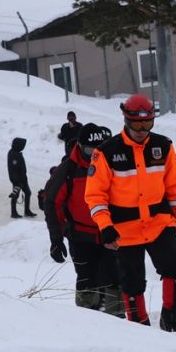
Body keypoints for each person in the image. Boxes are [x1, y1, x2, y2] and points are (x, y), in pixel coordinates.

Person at [85, 94, 176, 331]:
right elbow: (95, 196)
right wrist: (105, 226)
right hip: (124, 229)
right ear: (126, 121)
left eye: (147, 124)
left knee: (175, 271)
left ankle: (172, 321)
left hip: (159, 223)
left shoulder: (164, 146)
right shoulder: (106, 152)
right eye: (136, 125)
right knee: (132, 284)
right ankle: (140, 328)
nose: (142, 130)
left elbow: (175, 187)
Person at [45, 123, 123, 317]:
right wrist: (56, 239)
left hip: (111, 234)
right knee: (87, 280)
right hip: (81, 236)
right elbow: (52, 202)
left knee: (115, 279)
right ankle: (87, 319)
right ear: (79, 146)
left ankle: (118, 319)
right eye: (90, 151)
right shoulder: (69, 169)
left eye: (99, 150)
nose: (95, 155)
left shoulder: (115, 163)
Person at [8, 137, 37, 218]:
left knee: (27, 193)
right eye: (22, 145)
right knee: (15, 195)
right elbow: (14, 169)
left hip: (22, 178)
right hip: (17, 179)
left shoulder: (16, 152)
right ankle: (14, 212)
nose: (23, 147)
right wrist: (17, 180)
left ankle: (27, 211)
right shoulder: (14, 155)